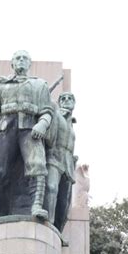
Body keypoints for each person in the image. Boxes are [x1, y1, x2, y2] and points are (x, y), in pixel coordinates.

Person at [0, 50, 54, 224]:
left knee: (37, 165)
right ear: (12, 64)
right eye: (17, 58)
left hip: (30, 127)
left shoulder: (39, 86)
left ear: (29, 63)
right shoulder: (0, 87)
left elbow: (47, 111)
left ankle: (36, 206)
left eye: (25, 58)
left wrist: (42, 124)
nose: (21, 60)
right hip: (5, 129)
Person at [45, 92, 76, 232]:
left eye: (70, 98)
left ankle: (57, 230)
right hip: (54, 158)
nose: (66, 100)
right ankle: (48, 224)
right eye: (63, 98)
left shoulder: (72, 122)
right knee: (51, 189)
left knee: (64, 202)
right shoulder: (56, 115)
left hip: (68, 164)